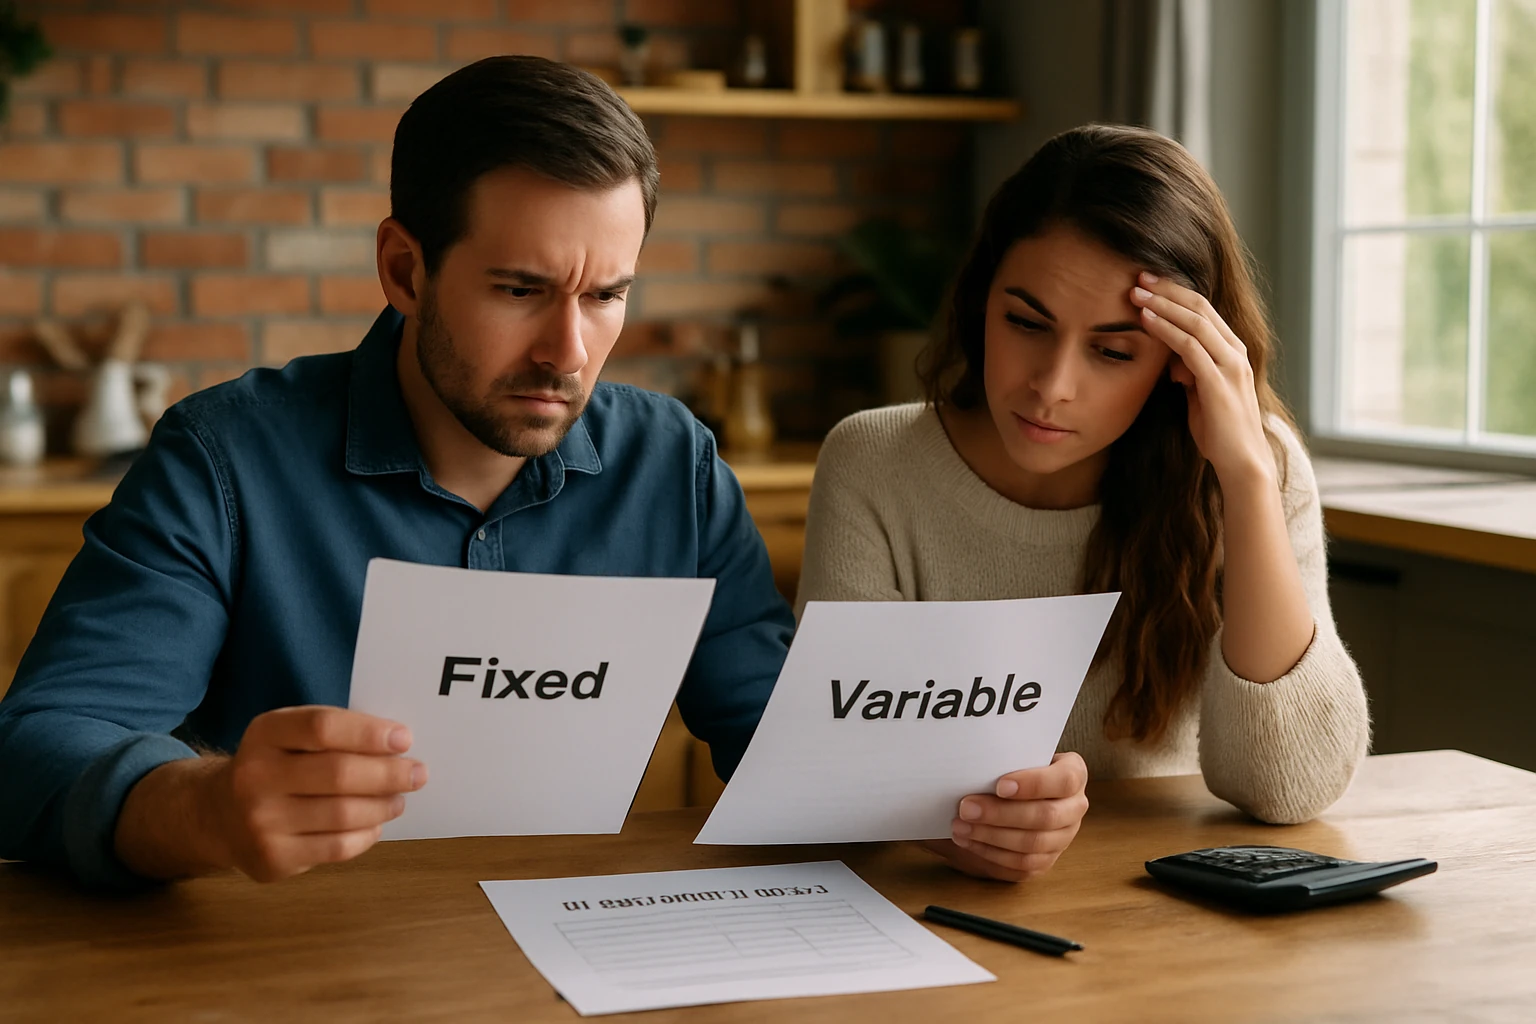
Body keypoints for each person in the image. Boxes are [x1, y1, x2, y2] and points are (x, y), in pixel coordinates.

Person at [0, 57, 1065, 890]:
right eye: (520, 288)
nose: (570, 351)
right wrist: (209, 806)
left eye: (606, 295)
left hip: (582, 959)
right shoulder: (225, 458)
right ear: (404, 270)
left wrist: (964, 804)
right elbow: (36, 749)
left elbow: (783, 742)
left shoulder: (674, 464)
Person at [796, 124, 1371, 883]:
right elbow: (839, 761)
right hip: (923, 906)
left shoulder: (1252, 474)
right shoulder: (873, 463)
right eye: (1026, 324)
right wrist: (953, 829)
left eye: (1113, 350)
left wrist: (1248, 479)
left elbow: (1290, 788)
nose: (1052, 385)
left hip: (1166, 921)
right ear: (979, 302)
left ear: (1181, 360)